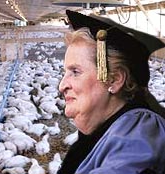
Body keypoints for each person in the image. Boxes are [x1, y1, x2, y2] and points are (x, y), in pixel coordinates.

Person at [57, 10, 165, 174]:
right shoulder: (104, 128)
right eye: (65, 72)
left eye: (75, 72)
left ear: (114, 80)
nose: (62, 85)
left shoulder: (139, 134)